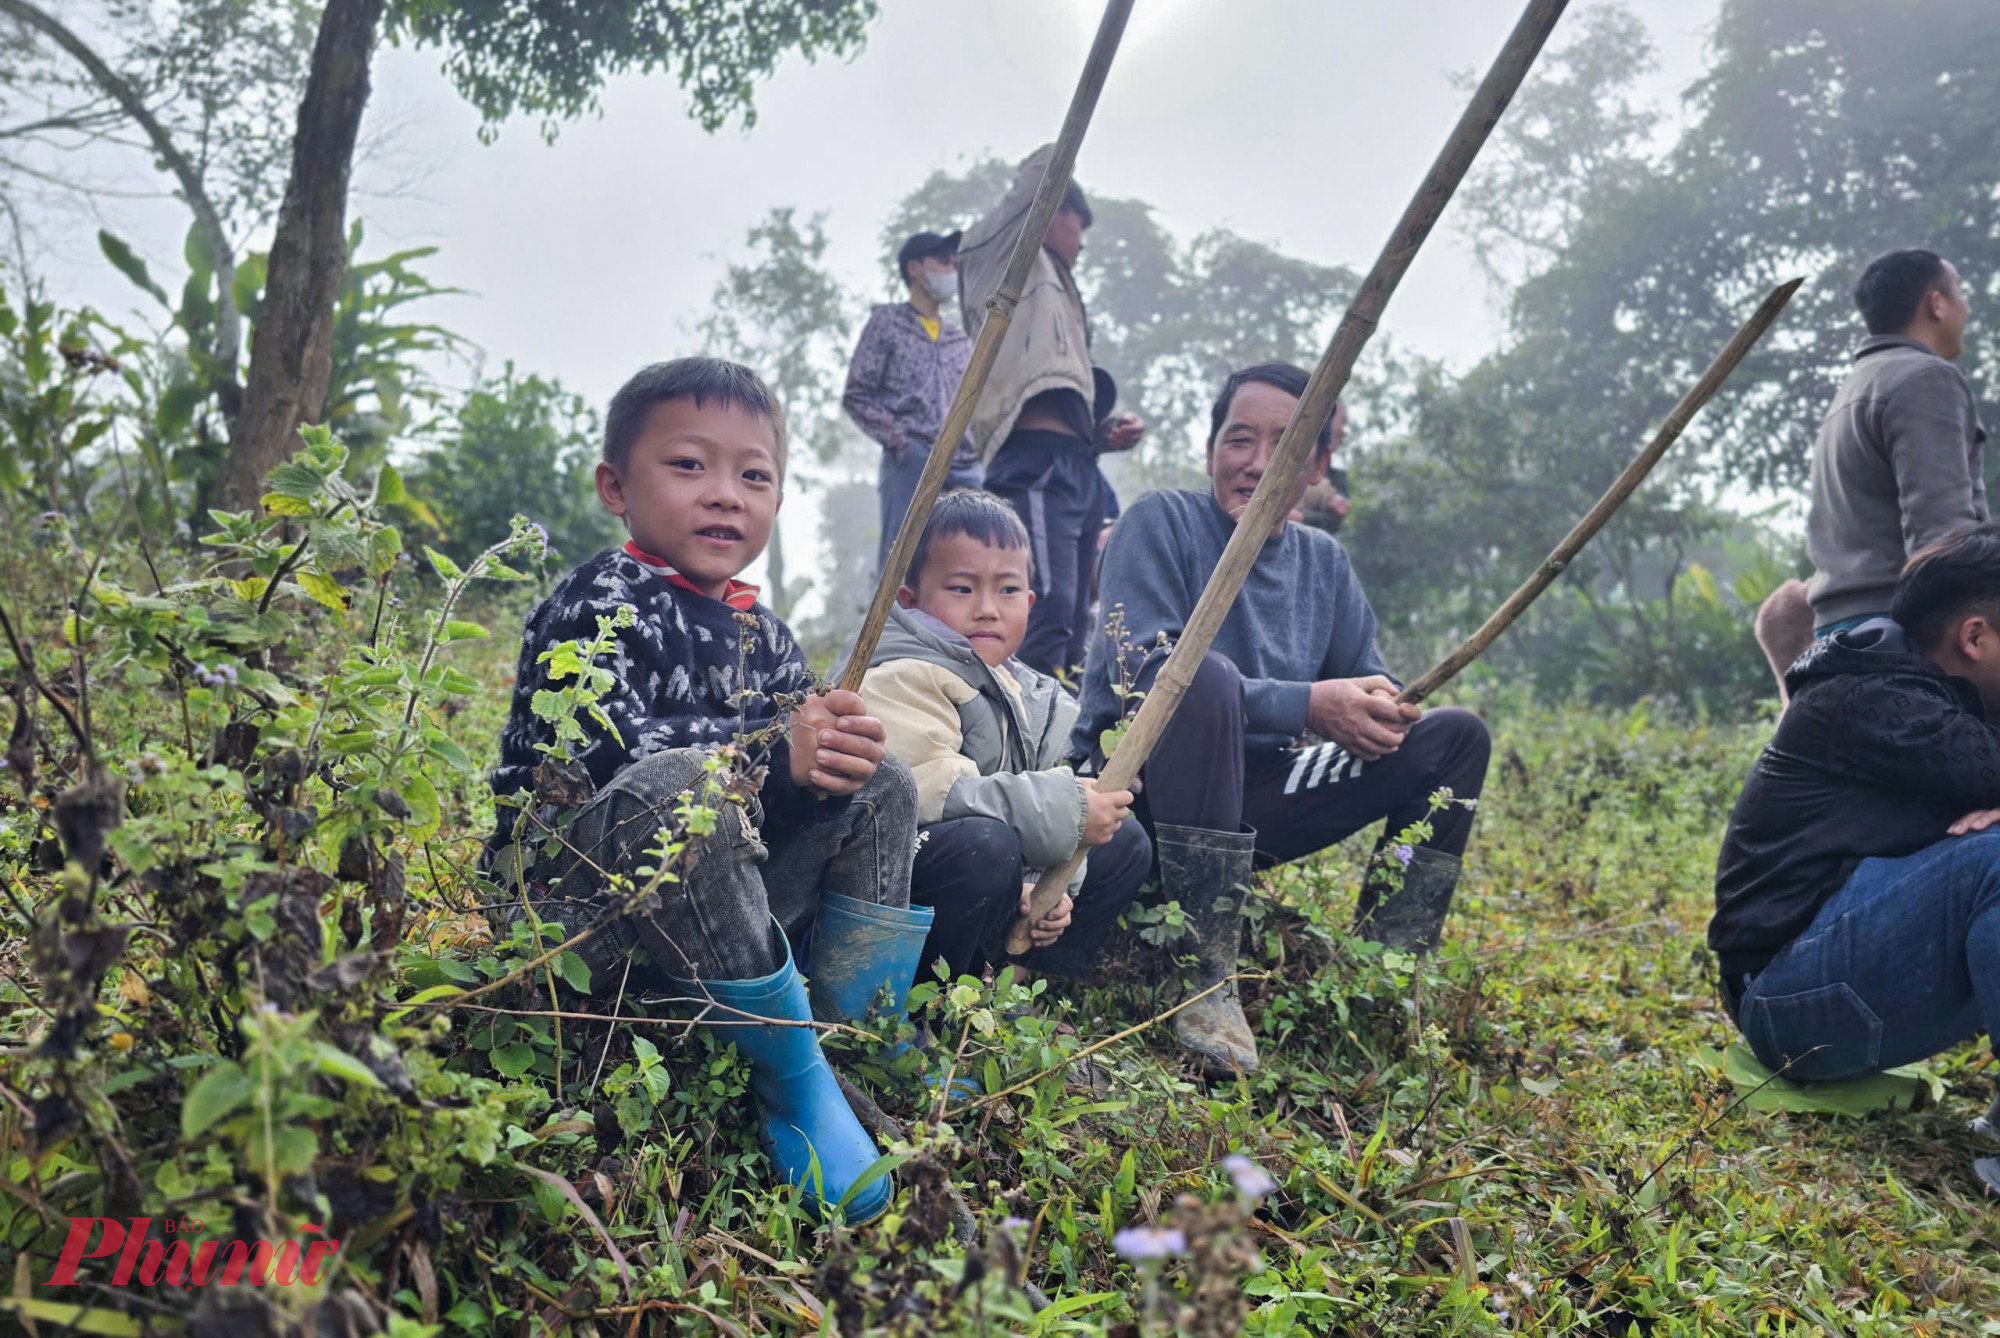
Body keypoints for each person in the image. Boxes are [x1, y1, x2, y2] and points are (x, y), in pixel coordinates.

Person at [484, 358, 946, 1224]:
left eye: (754, 476)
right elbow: (596, 767)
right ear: (616, 487)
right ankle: (793, 1076)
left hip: (723, 919)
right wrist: (772, 752)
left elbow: (792, 793)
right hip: (582, 919)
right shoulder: (598, 602)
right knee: (681, 782)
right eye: (690, 465)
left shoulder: (765, 636)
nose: (725, 494)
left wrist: (821, 766)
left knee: (879, 776)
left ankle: (856, 1029)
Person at [1073, 363, 1492, 1078]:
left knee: (1456, 738)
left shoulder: (1323, 562)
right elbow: (1144, 678)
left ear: (1318, 466)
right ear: (1212, 449)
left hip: (1258, 799)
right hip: (1135, 799)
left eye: (1286, 446)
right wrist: (1309, 704)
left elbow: (1365, 676)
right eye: (1240, 440)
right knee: (1198, 673)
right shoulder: (1160, 522)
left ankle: (1391, 976)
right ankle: (1205, 974)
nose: (1258, 463)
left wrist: (1379, 708)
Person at [1711, 524, 2000, 1145]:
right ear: (1974, 637)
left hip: (1835, 982)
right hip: (1787, 1003)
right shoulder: (1881, 697)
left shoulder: (1939, 691)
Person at [857, 490, 1151, 983]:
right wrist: (1069, 812)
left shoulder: (1031, 693)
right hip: (904, 883)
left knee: (1124, 840)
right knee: (984, 845)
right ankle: (930, 1005)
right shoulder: (902, 673)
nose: (988, 609)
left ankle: (1020, 987)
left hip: (997, 874)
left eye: (1008, 590)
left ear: (1029, 602)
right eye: (962, 588)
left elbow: (1042, 815)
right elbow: (930, 797)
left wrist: (1048, 892)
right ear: (910, 601)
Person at [956, 145, 1144, 677]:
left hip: (1077, 465)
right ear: (1056, 211)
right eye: (1079, 225)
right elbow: (1041, 176)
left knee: (1075, 621)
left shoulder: (1065, 292)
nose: (1082, 242)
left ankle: (1062, 719)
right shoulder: (999, 255)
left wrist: (1103, 434)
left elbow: (1051, 386)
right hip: (1035, 464)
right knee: (1046, 606)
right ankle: (1019, 717)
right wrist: (1069, 143)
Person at [1805, 248, 1987, 639]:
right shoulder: (1924, 377)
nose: (1966, 307)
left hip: (1842, 631)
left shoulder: (1855, 386)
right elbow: (1942, 534)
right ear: (1936, 304)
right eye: (1960, 292)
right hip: (1901, 627)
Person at [842, 230, 984, 572]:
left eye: (954, 264)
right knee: (902, 560)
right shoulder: (887, 322)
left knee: (971, 559)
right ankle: (892, 610)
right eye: (943, 262)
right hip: (912, 461)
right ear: (915, 268)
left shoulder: (960, 339)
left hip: (966, 466)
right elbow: (857, 394)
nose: (951, 270)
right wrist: (903, 444)